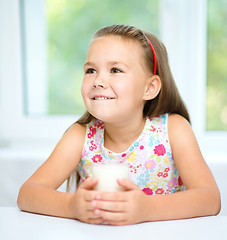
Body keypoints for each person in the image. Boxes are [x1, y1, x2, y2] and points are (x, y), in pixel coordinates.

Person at [17, 24, 221, 225]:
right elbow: (27, 194)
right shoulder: (79, 136)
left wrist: (146, 209)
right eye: (90, 70)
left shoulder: (173, 130)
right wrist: (73, 206)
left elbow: (211, 199)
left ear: (149, 88)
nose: (98, 80)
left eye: (115, 70)